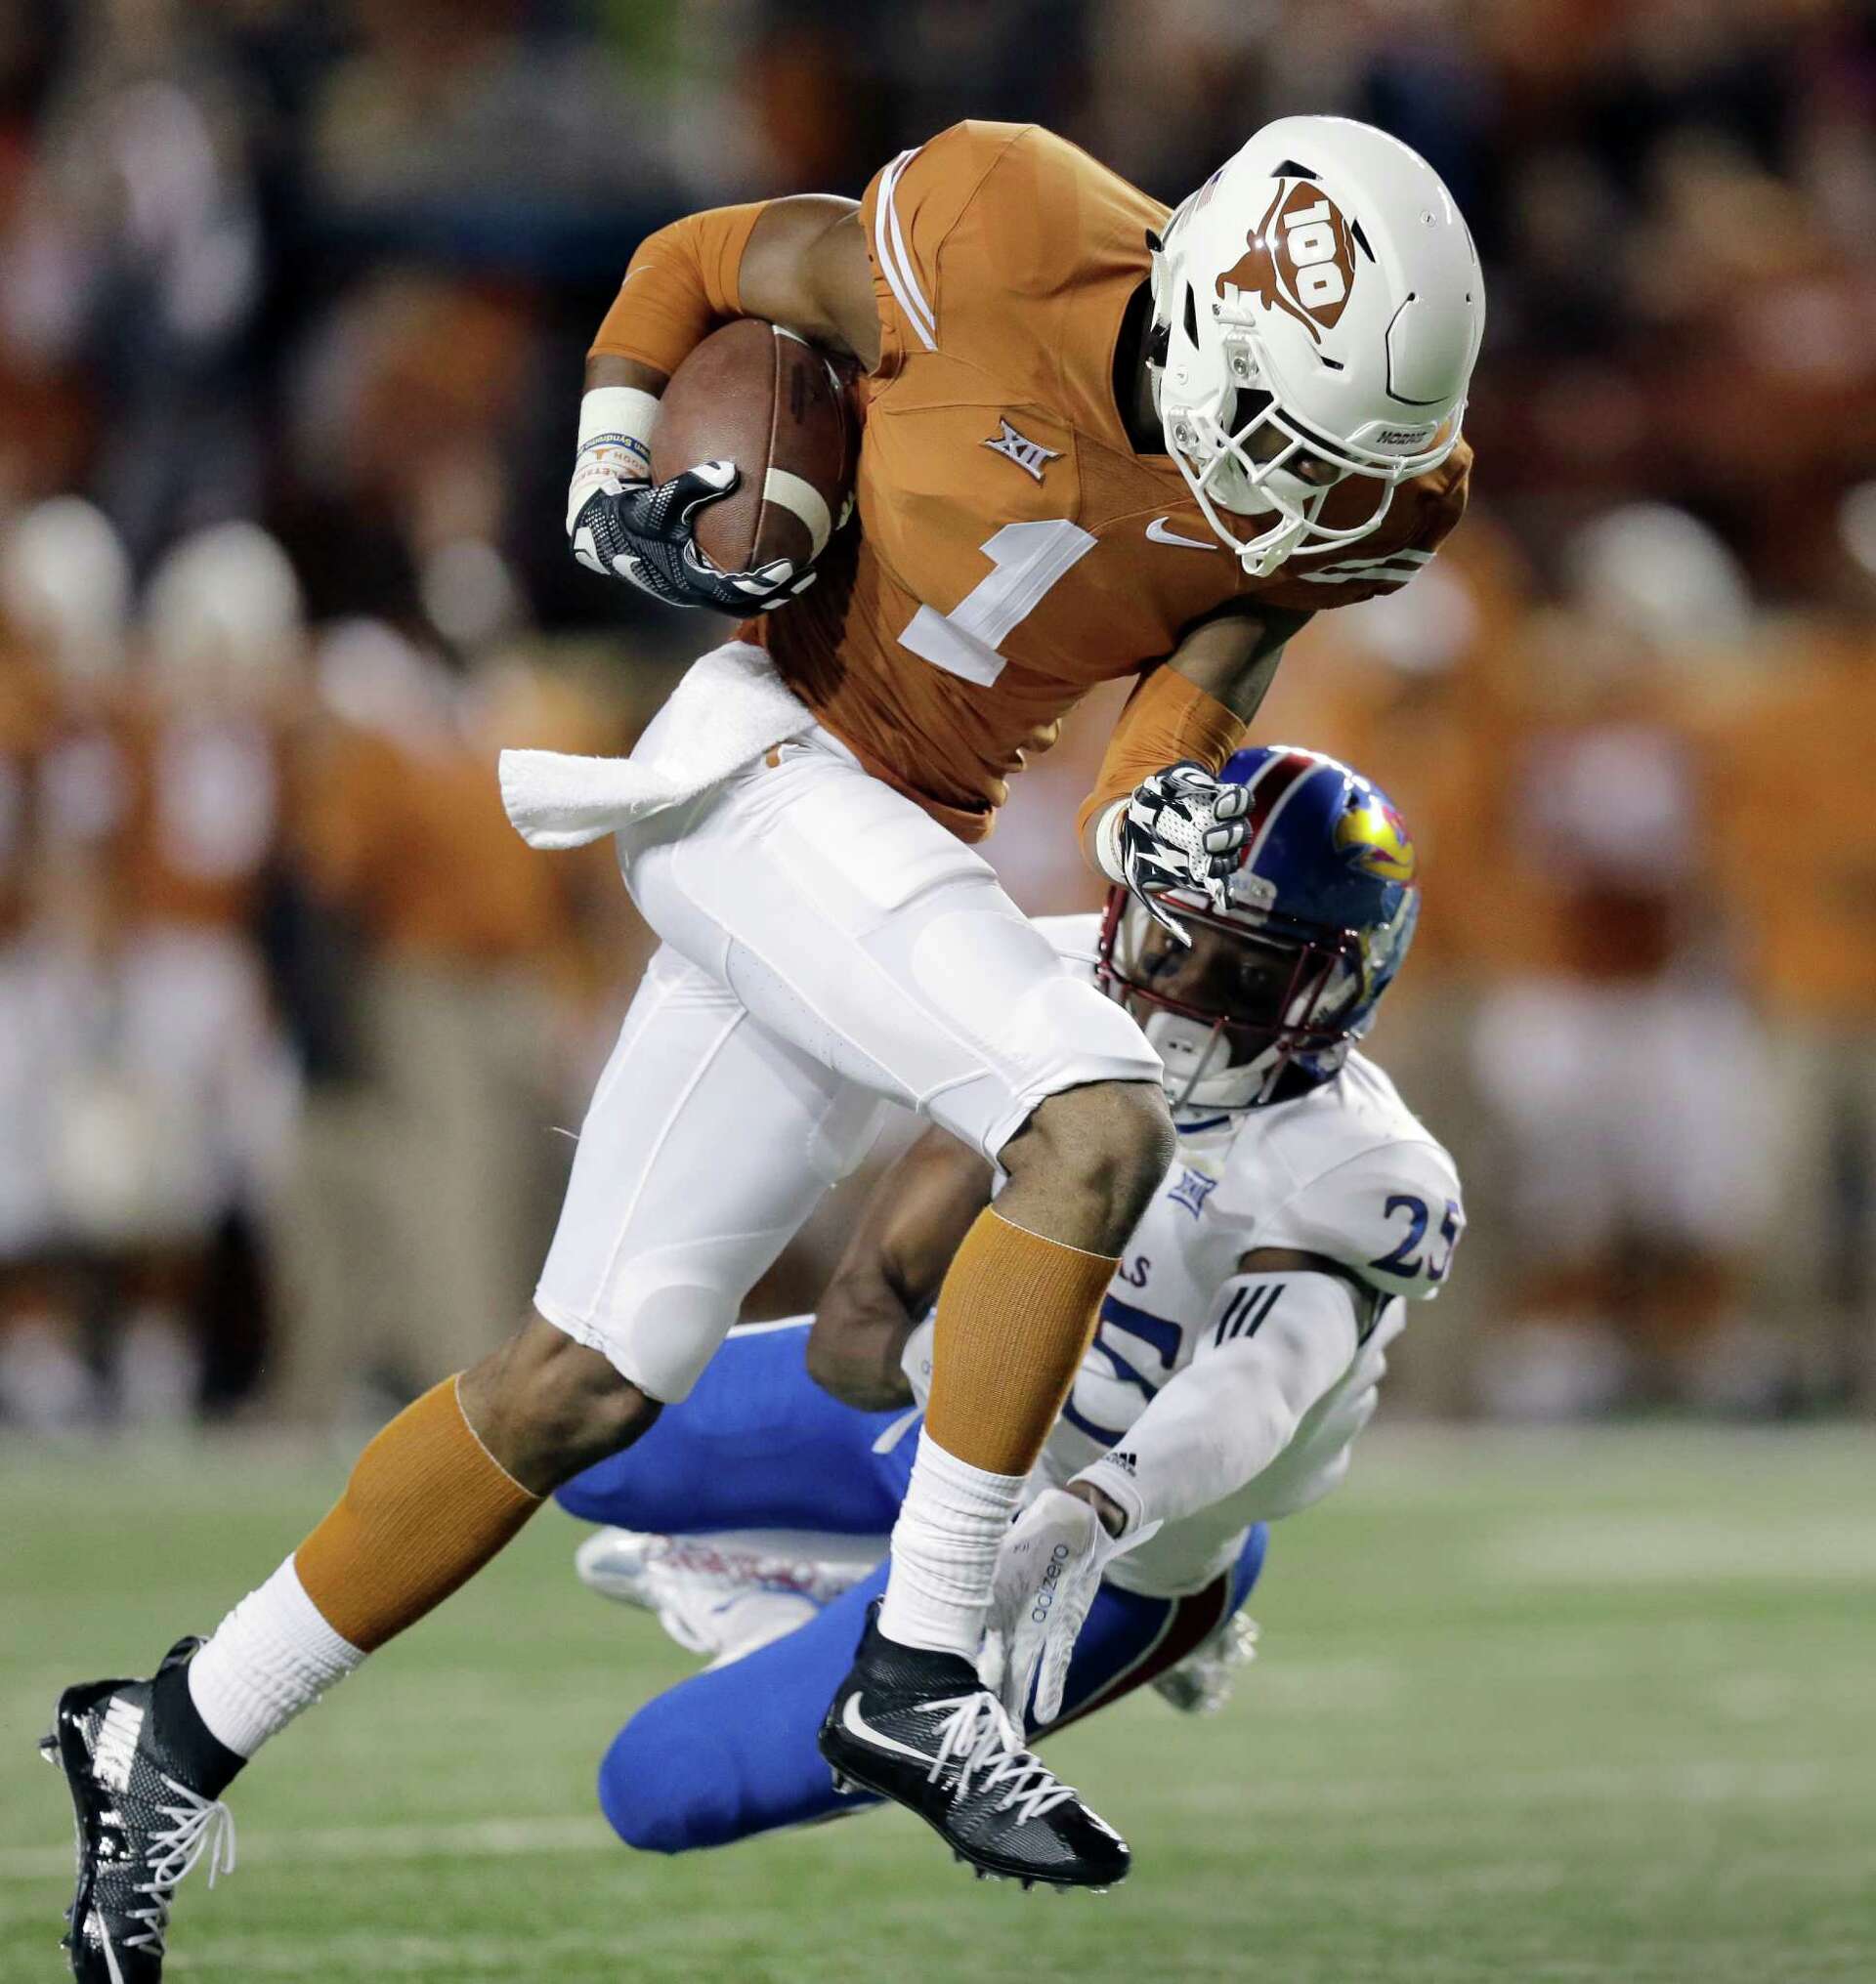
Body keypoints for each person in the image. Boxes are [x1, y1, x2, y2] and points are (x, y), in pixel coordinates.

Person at [47, 114, 1481, 1976]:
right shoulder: (1001, 226)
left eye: (1339, 466)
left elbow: (1183, 686)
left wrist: (1159, 824)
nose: (1306, 498)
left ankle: (166, 1728)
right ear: (1208, 304)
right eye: (1284, 440)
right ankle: (922, 1660)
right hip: (767, 768)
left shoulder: (1375, 493)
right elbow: (695, 264)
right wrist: (606, 464)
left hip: (895, 833)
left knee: (585, 1375)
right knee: (1097, 1121)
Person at [552, 745, 1462, 1860]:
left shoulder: (1357, 1172)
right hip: (950, 1407)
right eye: (1175, 943)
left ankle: (789, 1594)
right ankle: (779, 1572)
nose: (1184, 1001)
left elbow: (1254, 1387)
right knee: (581, 1429)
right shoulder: (1060, 967)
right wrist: (871, 1296)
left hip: (1106, 1553)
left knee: (657, 1786)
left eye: (1249, 975)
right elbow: (962, 1119)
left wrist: (1101, 1511)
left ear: (1341, 988)